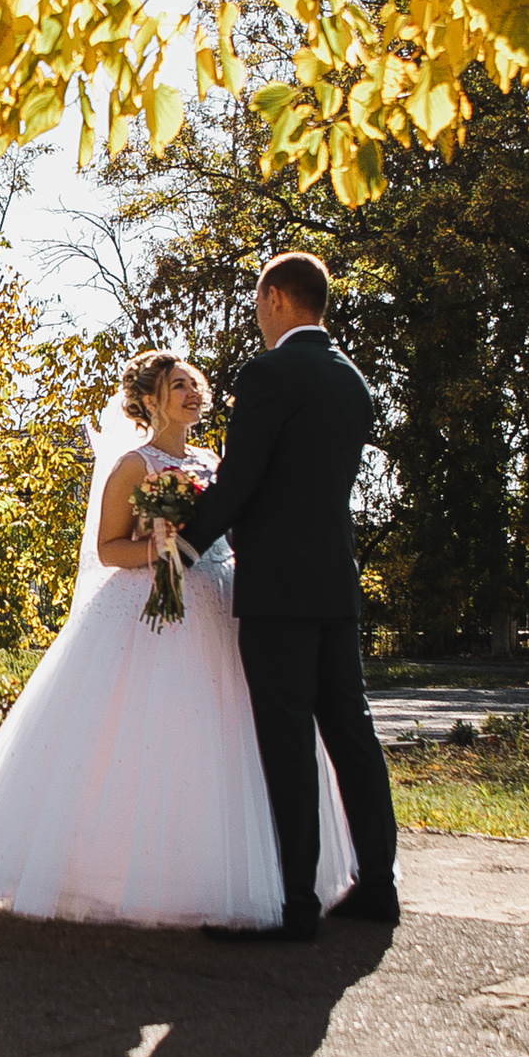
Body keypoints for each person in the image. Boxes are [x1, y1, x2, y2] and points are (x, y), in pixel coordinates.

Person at [0, 350, 356, 927]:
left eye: (195, 384)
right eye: (177, 386)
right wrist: (159, 552)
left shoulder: (217, 461)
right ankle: (127, 876)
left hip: (222, 603)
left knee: (231, 732)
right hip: (149, 609)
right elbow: (109, 548)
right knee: (150, 736)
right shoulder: (134, 464)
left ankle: (240, 873)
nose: (192, 393)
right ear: (151, 400)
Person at [174, 252, 398, 943]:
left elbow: (242, 479)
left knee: (289, 743)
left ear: (275, 297)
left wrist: (182, 543)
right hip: (335, 583)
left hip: (277, 590)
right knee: (352, 733)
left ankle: (298, 906)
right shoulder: (351, 381)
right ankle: (378, 888)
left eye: (256, 299)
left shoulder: (268, 374)